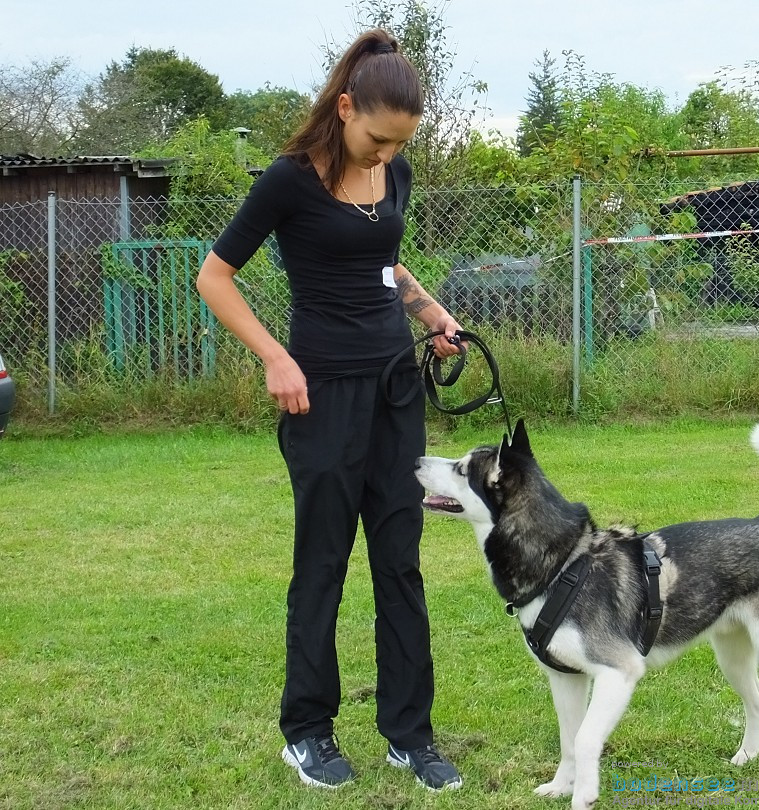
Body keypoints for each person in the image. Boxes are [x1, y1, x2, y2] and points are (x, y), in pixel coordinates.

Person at [196, 29, 464, 792]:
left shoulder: (397, 172)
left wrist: (434, 317)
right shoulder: (288, 181)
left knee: (400, 561)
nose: (385, 155)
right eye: (376, 139)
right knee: (322, 563)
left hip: (394, 391)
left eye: (398, 144)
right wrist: (276, 358)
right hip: (320, 394)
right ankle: (306, 731)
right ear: (345, 109)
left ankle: (409, 735)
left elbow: (382, 261)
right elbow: (214, 278)